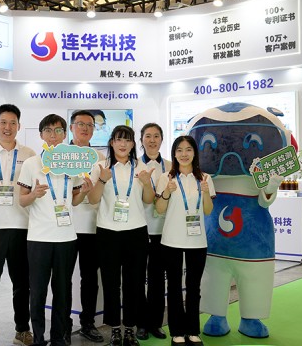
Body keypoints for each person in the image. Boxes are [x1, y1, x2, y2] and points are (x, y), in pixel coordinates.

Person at [18, 114, 92, 346]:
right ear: (41, 135)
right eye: (48, 130)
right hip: (39, 238)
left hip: (67, 238)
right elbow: (22, 200)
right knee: (38, 291)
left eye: (58, 131)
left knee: (62, 291)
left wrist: (84, 192)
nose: (53, 135)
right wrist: (33, 194)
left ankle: (59, 337)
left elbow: (75, 200)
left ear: (64, 134)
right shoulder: (31, 164)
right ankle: (39, 338)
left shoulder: (72, 164)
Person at [87, 125, 155, 346]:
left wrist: (146, 183)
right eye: (118, 139)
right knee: (111, 283)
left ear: (133, 144)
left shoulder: (141, 167)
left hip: (136, 232)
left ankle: (130, 329)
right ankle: (115, 329)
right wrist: (102, 180)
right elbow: (93, 200)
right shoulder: (101, 167)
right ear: (112, 143)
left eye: (127, 140)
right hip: (108, 233)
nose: (123, 144)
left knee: (134, 284)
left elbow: (148, 200)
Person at [0, 104, 36, 346]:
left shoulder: (29, 154)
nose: (7, 127)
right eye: (3, 122)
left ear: (19, 126)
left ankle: (22, 330)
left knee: (22, 284)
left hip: (22, 225)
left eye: (12, 123)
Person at [155, 136, 215, 346]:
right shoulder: (166, 177)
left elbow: (208, 210)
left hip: (197, 241)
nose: (184, 154)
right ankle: (177, 332)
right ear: (174, 154)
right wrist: (166, 192)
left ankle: (193, 330)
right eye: (179, 150)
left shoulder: (205, 178)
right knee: (173, 287)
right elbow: (159, 209)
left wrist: (205, 192)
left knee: (193, 287)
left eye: (188, 149)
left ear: (194, 152)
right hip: (171, 239)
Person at [69, 110, 105, 343]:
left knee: (90, 279)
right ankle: (63, 324)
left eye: (89, 125)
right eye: (80, 124)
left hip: (92, 226)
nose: (85, 128)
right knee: (63, 279)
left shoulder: (100, 158)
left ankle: (88, 323)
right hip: (66, 227)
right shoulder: (60, 156)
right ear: (72, 127)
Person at [136, 123, 172, 341]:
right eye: (148, 136)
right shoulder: (134, 165)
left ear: (161, 139)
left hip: (163, 230)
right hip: (139, 228)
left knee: (158, 279)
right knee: (138, 278)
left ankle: (156, 323)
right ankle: (141, 324)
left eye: (156, 136)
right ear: (141, 140)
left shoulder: (171, 166)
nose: (152, 140)